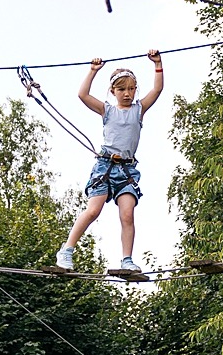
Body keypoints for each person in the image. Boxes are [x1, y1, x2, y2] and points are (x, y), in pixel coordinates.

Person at [54, 51, 164, 274]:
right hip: (105, 166)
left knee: (127, 214)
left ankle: (127, 259)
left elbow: (158, 89)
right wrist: (93, 71)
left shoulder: (139, 110)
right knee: (93, 211)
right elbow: (82, 94)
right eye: (121, 89)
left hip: (127, 170)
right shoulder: (107, 110)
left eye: (131, 89)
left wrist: (158, 64)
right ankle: (66, 250)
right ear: (113, 91)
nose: (127, 94)